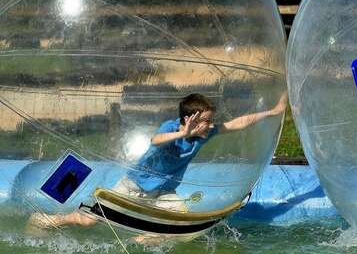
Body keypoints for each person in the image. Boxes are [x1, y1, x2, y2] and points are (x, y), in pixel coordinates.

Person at [28, 92, 287, 229]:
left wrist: (272, 111)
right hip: (132, 187)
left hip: (164, 191)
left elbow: (236, 124)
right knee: (85, 221)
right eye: (205, 120)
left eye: (210, 120)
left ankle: (140, 243)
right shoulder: (172, 127)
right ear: (189, 119)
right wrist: (182, 134)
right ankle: (47, 220)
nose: (210, 125)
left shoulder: (204, 135)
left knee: (180, 221)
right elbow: (155, 140)